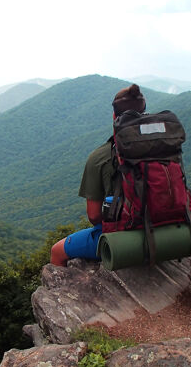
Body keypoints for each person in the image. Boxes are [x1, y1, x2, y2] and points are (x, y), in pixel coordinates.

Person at [50, 83, 147, 266]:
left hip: (125, 232)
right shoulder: (164, 145)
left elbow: (94, 216)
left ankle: (60, 295)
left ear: (114, 117)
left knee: (57, 252)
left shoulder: (100, 157)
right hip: (168, 223)